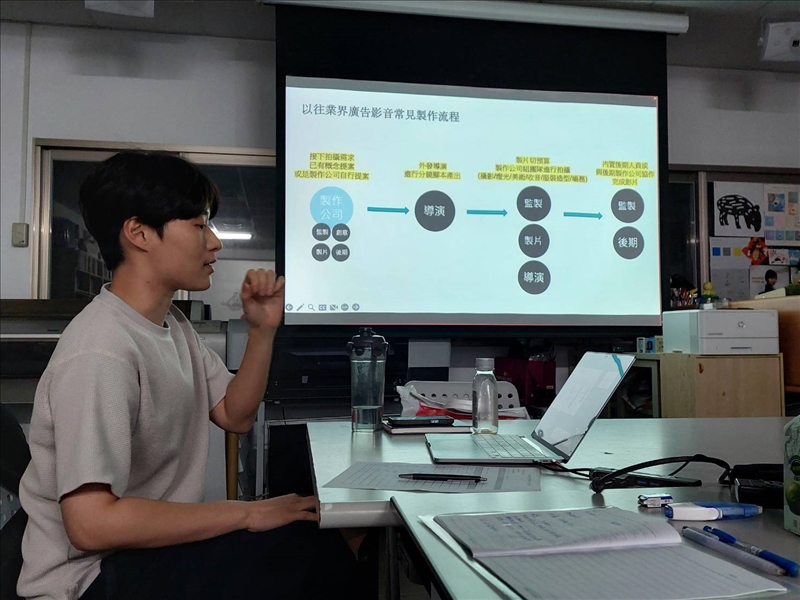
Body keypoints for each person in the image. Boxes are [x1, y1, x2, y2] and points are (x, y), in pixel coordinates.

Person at [17, 151, 363, 600]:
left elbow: (235, 414)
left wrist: (262, 331)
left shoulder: (171, 325)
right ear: (139, 233)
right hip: (87, 579)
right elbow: (91, 525)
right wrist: (245, 513)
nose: (215, 242)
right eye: (200, 226)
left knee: (329, 531)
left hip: (146, 553)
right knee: (315, 554)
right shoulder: (100, 351)